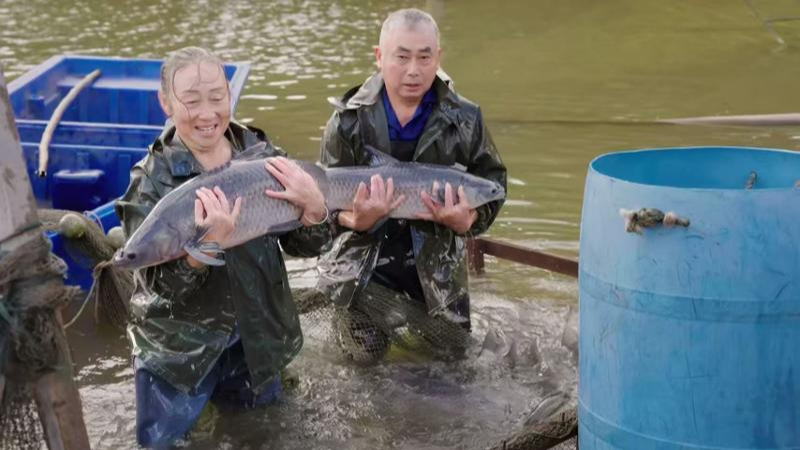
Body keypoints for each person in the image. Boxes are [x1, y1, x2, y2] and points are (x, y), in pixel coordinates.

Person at [115, 47, 331, 448]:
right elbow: (159, 289)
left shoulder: (262, 154)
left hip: (255, 336)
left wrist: (316, 208)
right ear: (165, 102)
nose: (206, 113)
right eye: (191, 100)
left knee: (260, 434)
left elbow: (306, 244)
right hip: (179, 351)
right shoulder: (149, 182)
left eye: (217, 97)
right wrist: (204, 247)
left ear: (230, 96)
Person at [317, 9, 507, 361]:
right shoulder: (347, 119)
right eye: (401, 57)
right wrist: (351, 220)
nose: (413, 70)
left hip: (438, 273)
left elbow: (494, 183)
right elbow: (317, 207)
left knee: (451, 369)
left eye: (424, 57)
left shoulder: (466, 118)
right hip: (363, 268)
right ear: (379, 57)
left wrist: (469, 222)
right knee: (362, 367)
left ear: (439, 57)